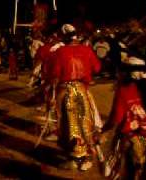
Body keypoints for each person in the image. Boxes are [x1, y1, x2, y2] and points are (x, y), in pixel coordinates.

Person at [101, 55, 146, 180]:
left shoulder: (124, 89)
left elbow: (116, 117)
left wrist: (103, 132)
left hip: (129, 140)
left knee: (128, 173)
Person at [53, 24, 101, 171]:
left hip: (66, 91)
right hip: (82, 89)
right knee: (85, 122)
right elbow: (97, 68)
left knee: (68, 124)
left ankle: (75, 157)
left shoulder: (60, 52)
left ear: (63, 37)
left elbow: (54, 74)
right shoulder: (87, 50)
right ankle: (85, 156)